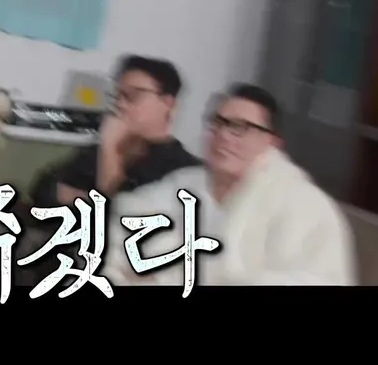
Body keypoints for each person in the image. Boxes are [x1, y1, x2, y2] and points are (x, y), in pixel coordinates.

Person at [102, 83, 355, 286]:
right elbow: (121, 233)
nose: (223, 136)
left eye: (240, 128)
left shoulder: (304, 204)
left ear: (272, 141)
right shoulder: (185, 183)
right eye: (218, 123)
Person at [30, 55, 201, 209]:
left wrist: (109, 152)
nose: (120, 104)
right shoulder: (98, 150)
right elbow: (42, 188)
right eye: (118, 96)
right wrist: (92, 200)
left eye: (133, 95)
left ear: (168, 103)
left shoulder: (185, 169)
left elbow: (122, 215)